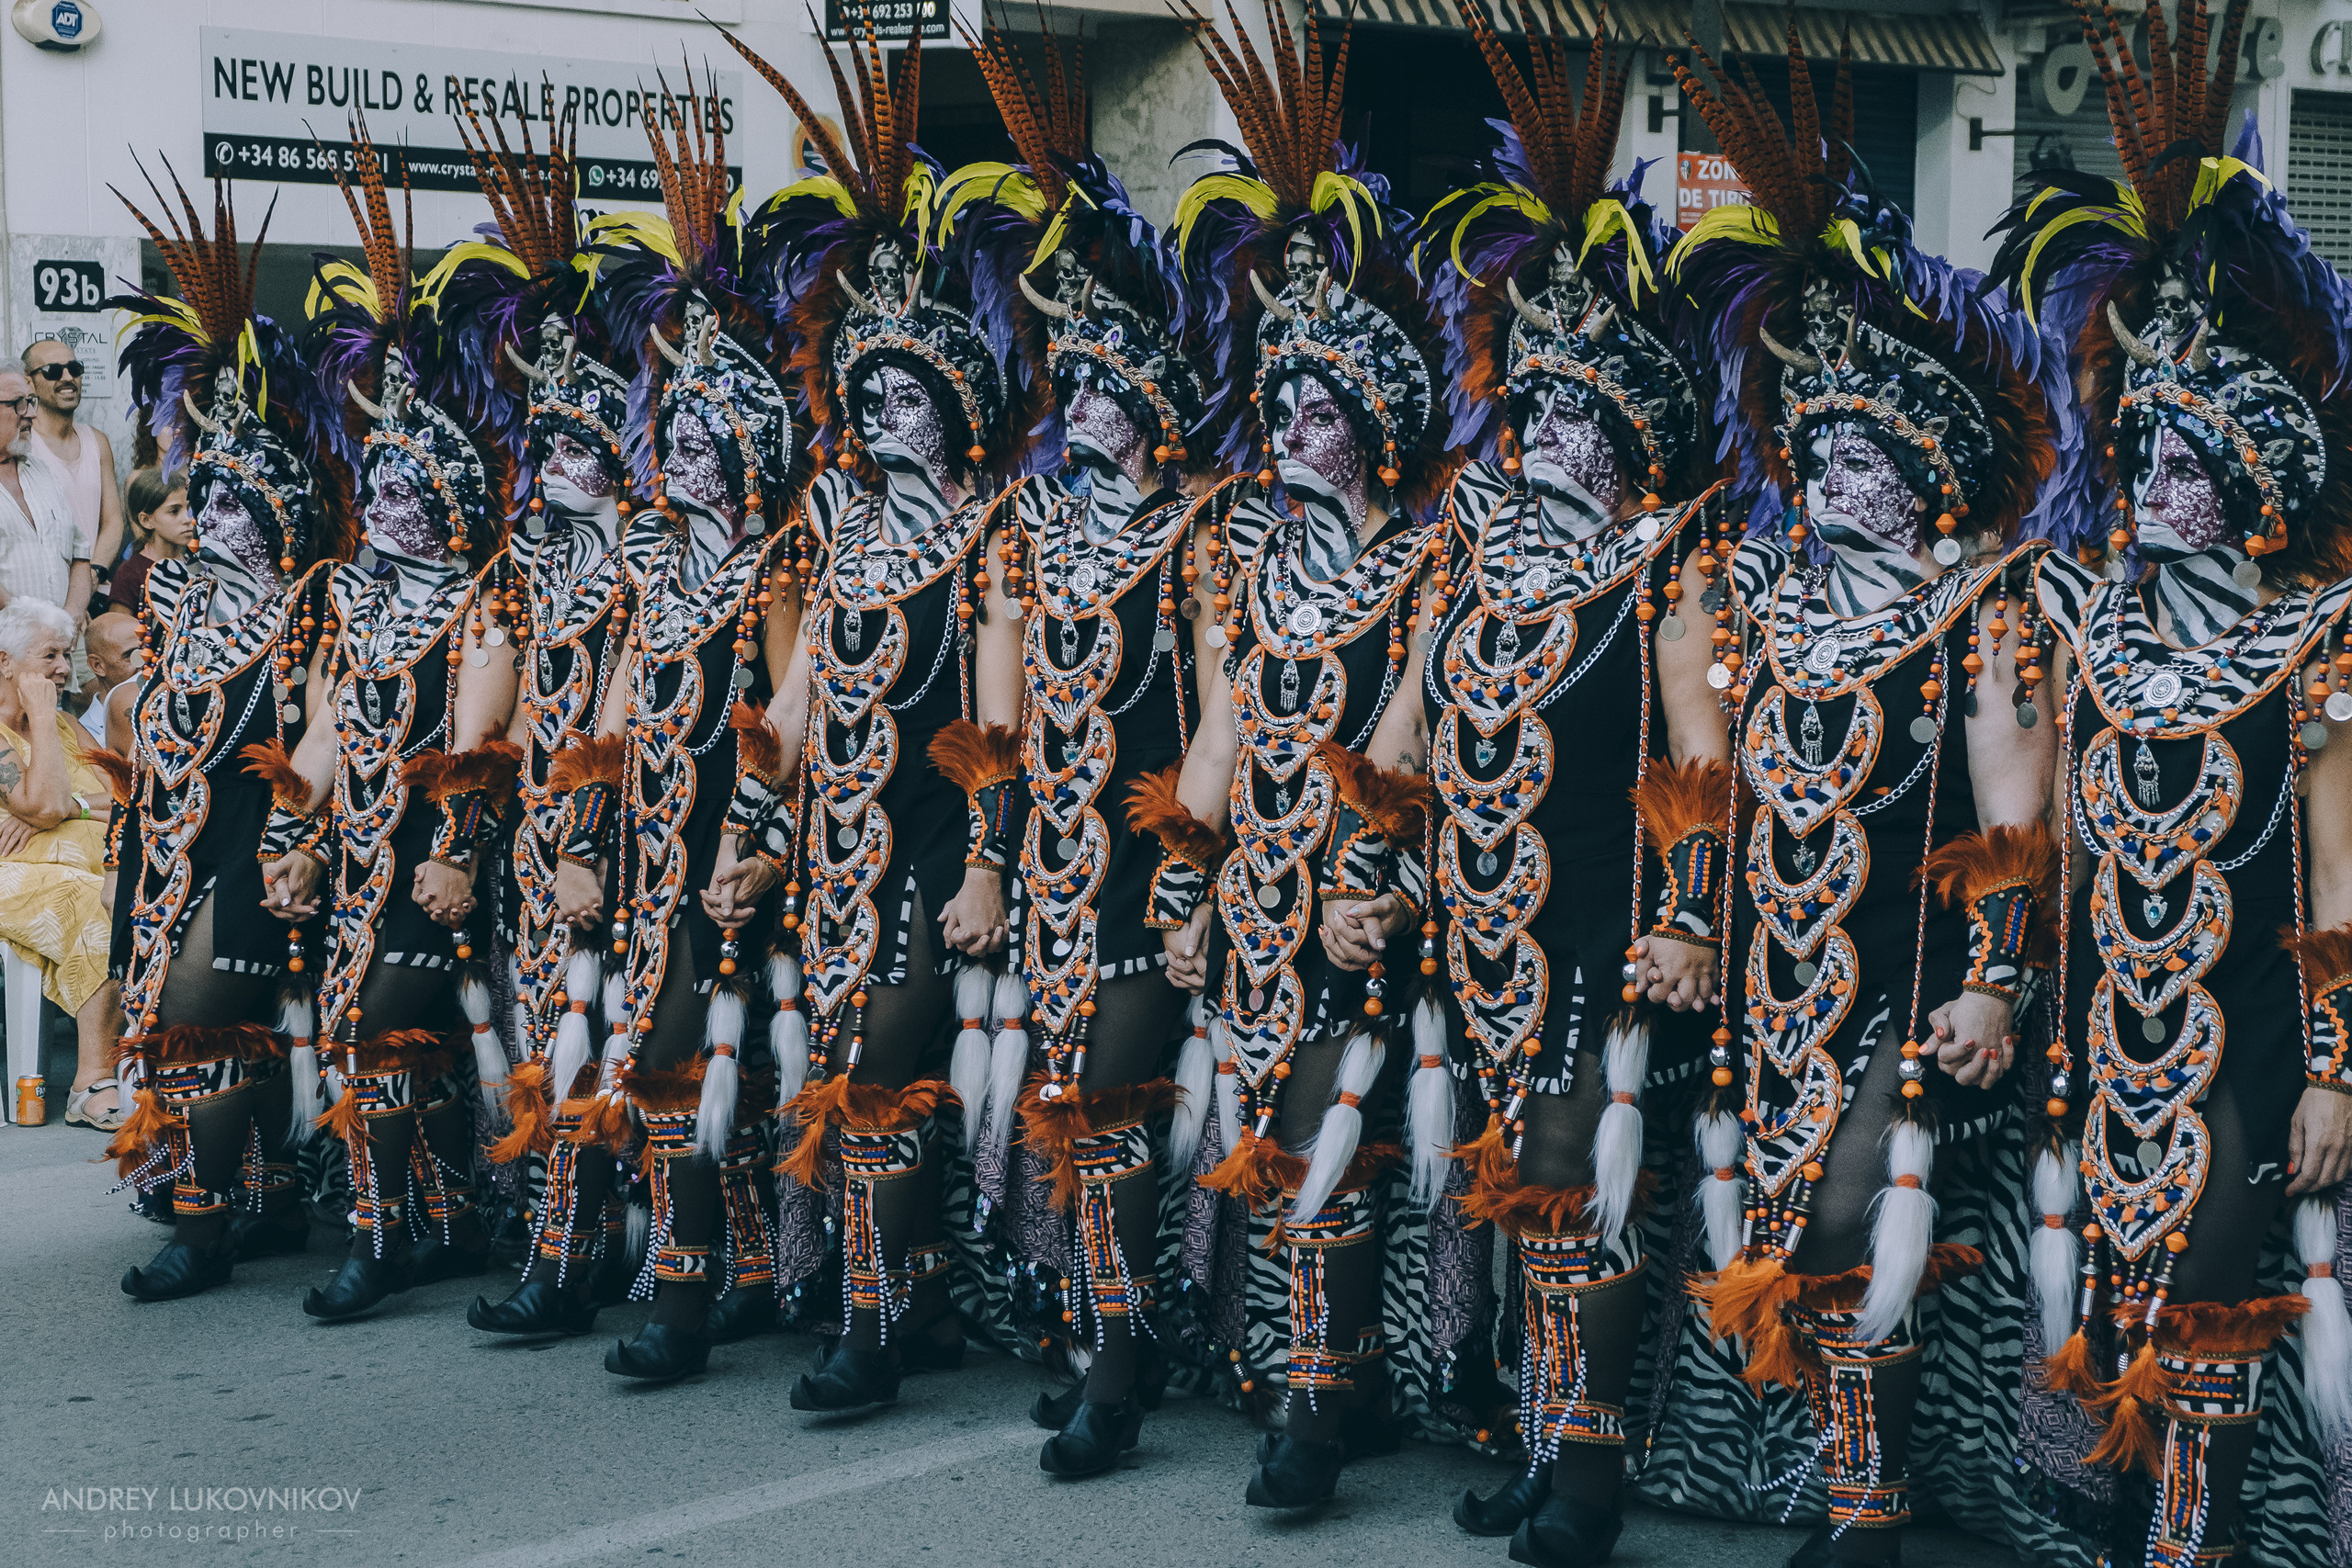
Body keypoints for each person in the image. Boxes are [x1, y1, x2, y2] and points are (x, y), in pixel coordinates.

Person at [1657, 37, 2064, 1566]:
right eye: (1810, 443)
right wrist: (1693, 923)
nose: (1829, 471)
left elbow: (2017, 808)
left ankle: (1870, 1515)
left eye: (1861, 448)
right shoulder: (1751, 586)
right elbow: (1696, 765)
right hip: (1769, 979)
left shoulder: (1987, 605)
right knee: (1781, 1241)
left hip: (1901, 978)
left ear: (1930, 463)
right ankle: (1858, 1498)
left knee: (1847, 1226)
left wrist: (1993, 982)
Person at [1991, 9, 2352, 1561]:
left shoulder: (2321, 639)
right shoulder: (2078, 619)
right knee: (2093, 1302)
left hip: (2252, 1039)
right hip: (2094, 1030)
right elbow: (2041, 830)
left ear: (2261, 491)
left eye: (2181, 460)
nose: (2141, 486)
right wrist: (2006, 981)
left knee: (2206, 1308)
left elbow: (2342, 877)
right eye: (2134, 452)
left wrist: (2338, 1065)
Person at [1419, 6, 1734, 1557]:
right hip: (1488, 922)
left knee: (1578, 1173)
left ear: (1631, 433)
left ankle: (1593, 1472)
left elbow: (1704, 759)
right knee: (1523, 1184)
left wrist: (1685, 919)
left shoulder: (1669, 566)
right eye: (1527, 409)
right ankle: (1548, 1441)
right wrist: (1374, 861)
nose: (1540, 434)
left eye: (1572, 416)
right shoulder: (1482, 545)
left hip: (1607, 919)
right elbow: (1412, 726)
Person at [1149, 2, 1451, 1511]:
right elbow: (1213, 727)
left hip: (1374, 889)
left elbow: (1417, 743)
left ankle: (1317, 1419)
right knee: (1272, 1130)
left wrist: (1371, 877)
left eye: (1320, 404)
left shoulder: (1434, 564)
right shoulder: (1242, 560)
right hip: (1254, 888)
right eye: (1279, 397)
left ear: (1382, 424)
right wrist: (1185, 880)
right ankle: (1341, 1379)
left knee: (1337, 1137)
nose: (1288, 423)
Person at [931, 12, 1229, 1474]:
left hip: (1153, 869)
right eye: (1071, 375)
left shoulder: (1204, 530)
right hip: (1047, 864)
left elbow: (1231, 716)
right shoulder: (1027, 530)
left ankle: (1119, 1366)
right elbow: (991, 723)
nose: (1086, 399)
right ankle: (1100, 1331)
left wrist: (1193, 877)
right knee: (1066, 1113)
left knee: (1113, 1117)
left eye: (1115, 377)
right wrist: (989, 864)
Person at [739, 24, 1015, 1411]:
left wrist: (983, 858)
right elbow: (790, 698)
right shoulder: (835, 520)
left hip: (929, 841)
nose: (884, 412)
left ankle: (870, 1333)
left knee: (874, 1069)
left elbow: (999, 716)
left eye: (913, 393)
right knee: (852, 1072)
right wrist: (753, 823)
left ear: (961, 406)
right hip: (833, 844)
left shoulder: (992, 532)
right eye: (868, 393)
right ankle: (901, 1310)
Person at [530, 73, 800, 1381]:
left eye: (712, 430)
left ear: (754, 441)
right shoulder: (651, 561)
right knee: (661, 1054)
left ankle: (685, 1303)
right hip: (643, 855)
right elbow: (613, 707)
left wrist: (751, 845)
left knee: (687, 1057)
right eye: (673, 426)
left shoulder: (782, 563)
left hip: (745, 859)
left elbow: (789, 723)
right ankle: (736, 1271)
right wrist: (582, 837)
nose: (685, 449)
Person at [266, 123, 519, 1322]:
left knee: (380, 1041)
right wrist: (299, 832)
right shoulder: (358, 600)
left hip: (437, 864)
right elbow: (319, 734)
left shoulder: (480, 603)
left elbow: (475, 745)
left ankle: (375, 1241)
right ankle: (447, 1221)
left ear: (450, 502)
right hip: (361, 861)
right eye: (372, 486)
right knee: (399, 1050)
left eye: (403, 489)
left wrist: (453, 857)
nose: (377, 503)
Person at [432, 108, 650, 1342]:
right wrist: (467, 838)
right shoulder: (523, 564)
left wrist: (583, 837)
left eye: (577, 437)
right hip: (542, 844)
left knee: (624, 1043)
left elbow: (620, 715)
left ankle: (629, 1253)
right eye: (542, 437)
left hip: (629, 837)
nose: (552, 455)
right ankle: (567, 1253)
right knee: (551, 1037)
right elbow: (488, 714)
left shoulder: (649, 564)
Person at [104, 171, 337, 1295]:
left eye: (242, 501)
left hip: (260, 844)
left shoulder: (312, 605)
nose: (218, 516)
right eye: (210, 497)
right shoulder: (179, 601)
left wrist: (298, 844)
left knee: (200, 1023)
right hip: (169, 844)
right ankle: (269, 1201)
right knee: (198, 1025)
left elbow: (324, 740)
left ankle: (200, 1230)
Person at [0, 597, 119, 1125]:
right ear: (5, 661)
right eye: (51, 655)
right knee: (91, 903)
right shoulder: (47, 722)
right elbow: (43, 805)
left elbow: (130, 798)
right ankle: (91, 1081)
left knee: (133, 891)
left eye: (67, 655)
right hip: (14, 876)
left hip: (88, 865)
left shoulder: (73, 727)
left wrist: (69, 810)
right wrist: (43, 716)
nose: (64, 669)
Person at [23, 338, 127, 586]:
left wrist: (91, 576)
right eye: (53, 371)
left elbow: (113, 520)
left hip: (95, 582)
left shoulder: (97, 441)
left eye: (75, 369)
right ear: (29, 383)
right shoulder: (23, 445)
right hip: (45, 589)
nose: (68, 377)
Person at [0, 369, 92, 622]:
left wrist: (71, 615)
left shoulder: (40, 470)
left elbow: (80, 554)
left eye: (30, 402)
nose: (31, 413)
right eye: (18, 404)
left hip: (60, 647)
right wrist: (36, 625)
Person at [109, 468, 189, 619]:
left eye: (190, 508)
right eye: (174, 511)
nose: (187, 519)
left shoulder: (197, 567)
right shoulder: (131, 574)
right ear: (146, 520)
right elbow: (117, 635)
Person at [76, 607, 140, 747]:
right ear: (97, 666)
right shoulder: (85, 735)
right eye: (131, 655)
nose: (145, 663)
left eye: (148, 651)